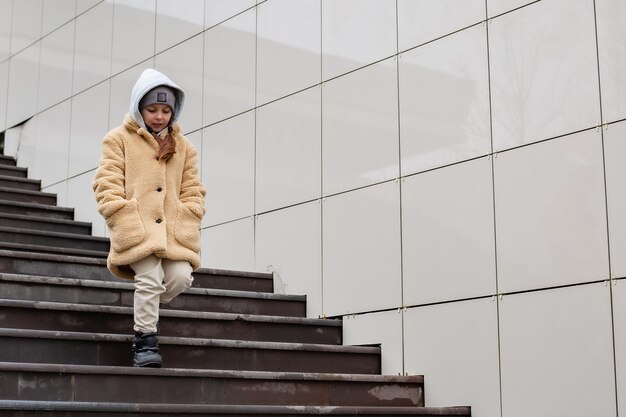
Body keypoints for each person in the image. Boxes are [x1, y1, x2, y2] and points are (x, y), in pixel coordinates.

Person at [92, 68, 206, 368]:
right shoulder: (117, 139)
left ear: (174, 111)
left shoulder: (184, 147)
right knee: (151, 277)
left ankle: (146, 306)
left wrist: (191, 213)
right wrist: (121, 216)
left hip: (172, 231)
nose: (159, 116)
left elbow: (193, 188)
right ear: (139, 108)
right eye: (152, 109)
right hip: (136, 227)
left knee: (180, 277)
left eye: (166, 110)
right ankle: (145, 341)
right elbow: (107, 183)